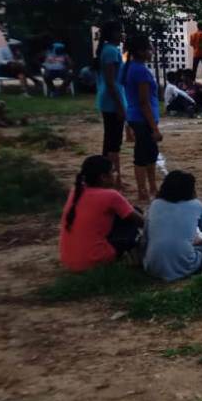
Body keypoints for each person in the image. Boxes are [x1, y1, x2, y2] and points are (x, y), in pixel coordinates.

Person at [143, 170, 202, 281]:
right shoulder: (196, 204)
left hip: (151, 266)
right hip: (184, 265)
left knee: (177, 245)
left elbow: (146, 238)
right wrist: (200, 242)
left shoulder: (155, 204)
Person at [58, 155, 143, 273]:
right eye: (113, 172)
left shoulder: (76, 191)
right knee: (132, 221)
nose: (116, 175)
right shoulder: (111, 195)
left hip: (69, 261)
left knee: (121, 215)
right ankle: (135, 258)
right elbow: (141, 221)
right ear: (103, 177)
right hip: (92, 261)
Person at [122, 32, 162, 202]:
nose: (152, 52)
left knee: (149, 152)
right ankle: (144, 190)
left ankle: (151, 187)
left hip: (136, 117)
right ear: (140, 51)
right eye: (149, 49)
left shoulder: (129, 67)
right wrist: (154, 128)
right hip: (142, 118)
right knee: (144, 154)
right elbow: (144, 102)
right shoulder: (140, 71)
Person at [95, 21, 126, 191]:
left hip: (110, 100)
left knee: (112, 141)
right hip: (111, 101)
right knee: (113, 143)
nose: (122, 34)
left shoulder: (110, 50)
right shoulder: (111, 51)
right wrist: (119, 106)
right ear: (112, 33)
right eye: (119, 31)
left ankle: (111, 177)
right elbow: (110, 81)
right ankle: (111, 178)